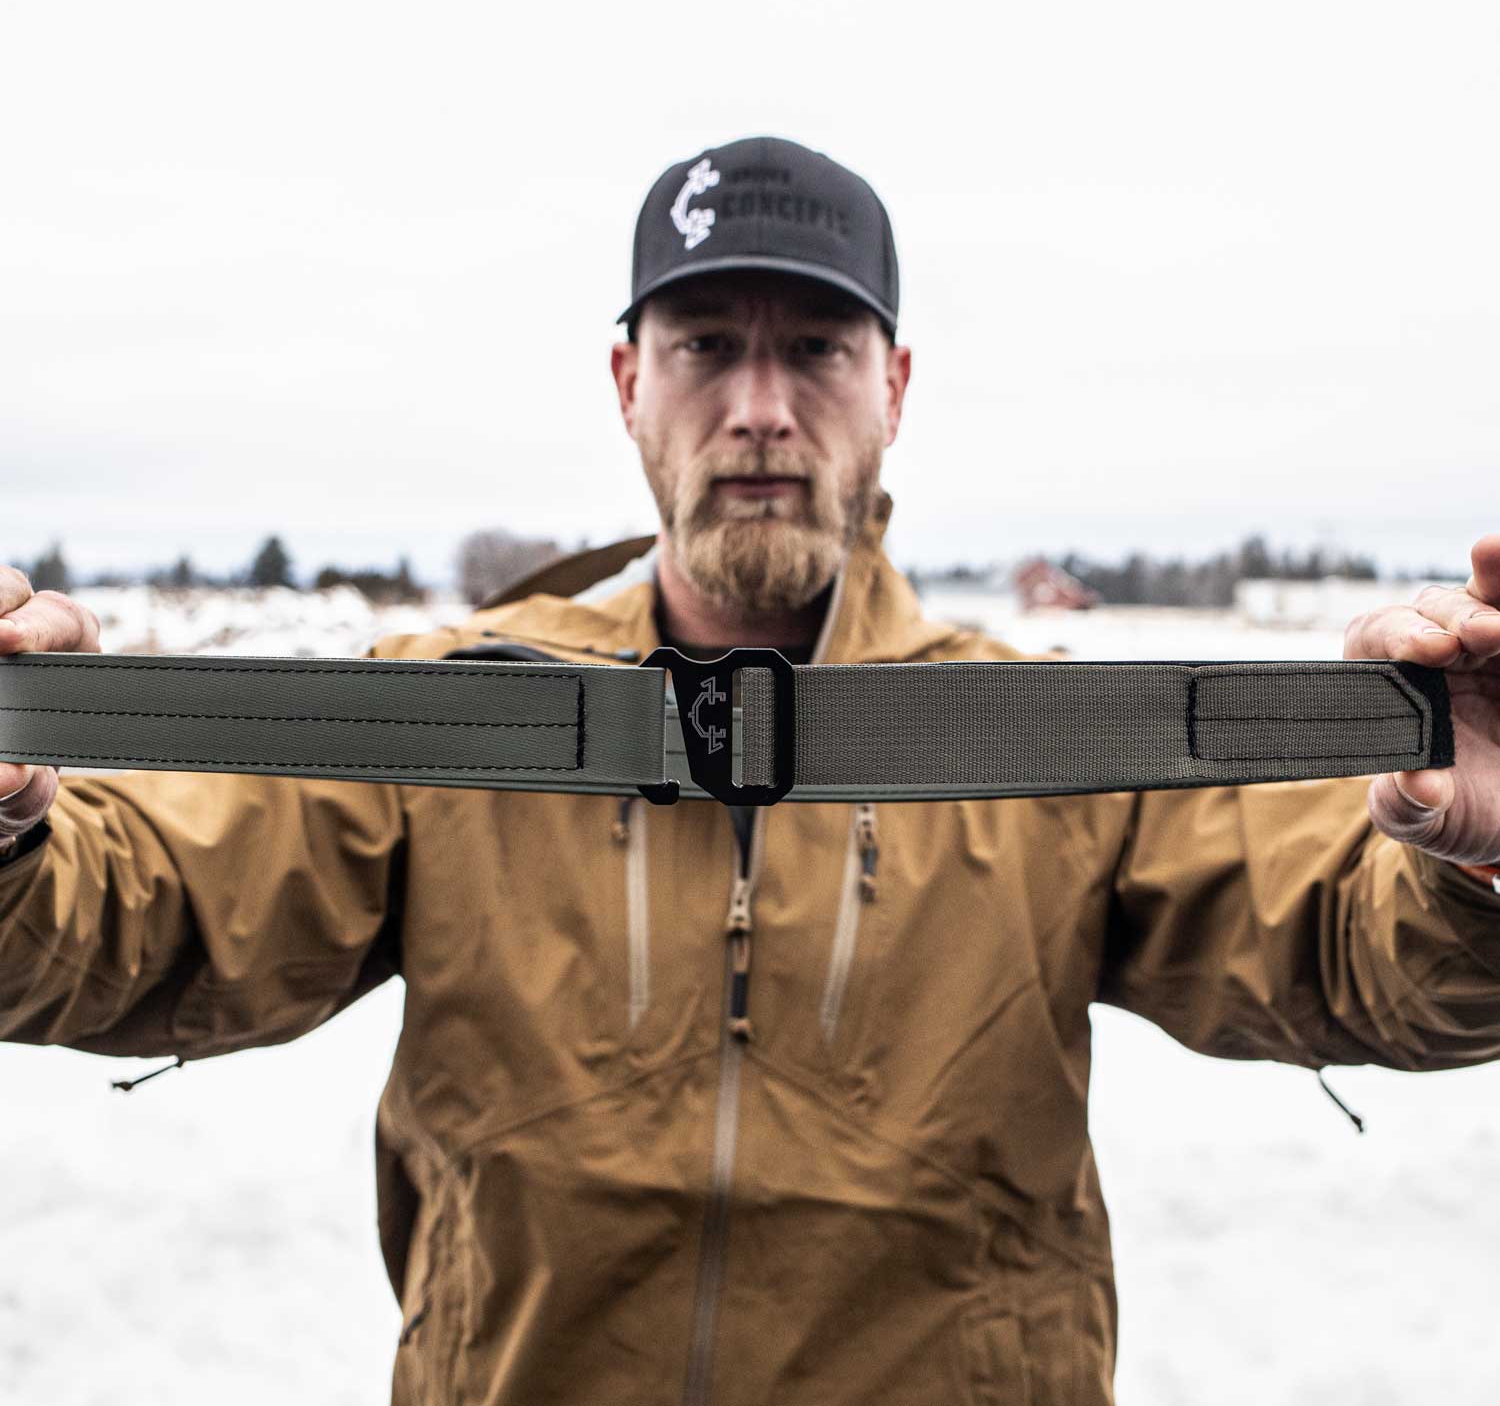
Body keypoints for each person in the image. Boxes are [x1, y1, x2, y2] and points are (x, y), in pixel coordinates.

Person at [2, 134, 1499, 1406]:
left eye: (819, 349)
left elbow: (1348, 950)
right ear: (627, 380)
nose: (763, 407)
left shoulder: (1039, 742)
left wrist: (1478, 863)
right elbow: (139, 915)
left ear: (895, 383)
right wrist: (9, 835)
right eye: (708, 344)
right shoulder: (454, 720)